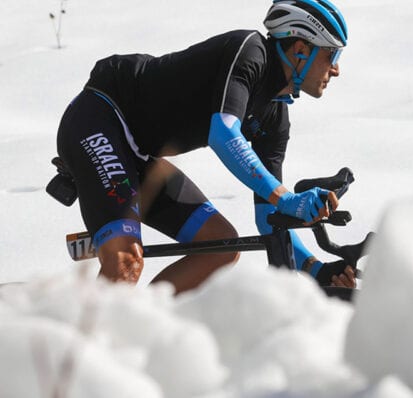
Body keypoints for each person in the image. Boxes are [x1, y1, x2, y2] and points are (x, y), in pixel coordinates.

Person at [55, 0, 357, 294]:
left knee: (220, 245)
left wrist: (316, 269)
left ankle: (141, 327)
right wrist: (285, 197)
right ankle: (87, 340)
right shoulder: (250, 52)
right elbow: (223, 133)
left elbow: (269, 216)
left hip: (138, 155)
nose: (337, 69)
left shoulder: (275, 117)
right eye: (332, 54)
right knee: (125, 261)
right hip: (101, 118)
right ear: (301, 49)